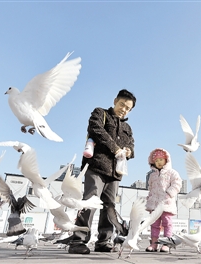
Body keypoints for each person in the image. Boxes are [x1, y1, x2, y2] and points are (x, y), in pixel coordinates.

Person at [68, 89, 136, 255]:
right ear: (115, 101)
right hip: (96, 166)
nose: (124, 109)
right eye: (122, 105)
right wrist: (116, 148)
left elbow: (132, 147)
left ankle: (104, 241)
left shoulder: (127, 127)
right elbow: (96, 129)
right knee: (89, 202)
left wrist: (128, 151)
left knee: (109, 207)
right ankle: (78, 240)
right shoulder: (100, 113)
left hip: (115, 173)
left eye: (128, 108)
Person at [145, 148, 182, 252]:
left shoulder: (172, 173)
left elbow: (177, 183)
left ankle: (166, 243)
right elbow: (151, 188)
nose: (158, 162)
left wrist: (169, 193)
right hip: (155, 205)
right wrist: (149, 199)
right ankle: (154, 244)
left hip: (166, 203)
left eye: (161, 160)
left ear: (167, 160)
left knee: (167, 223)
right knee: (154, 224)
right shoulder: (152, 175)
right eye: (156, 161)